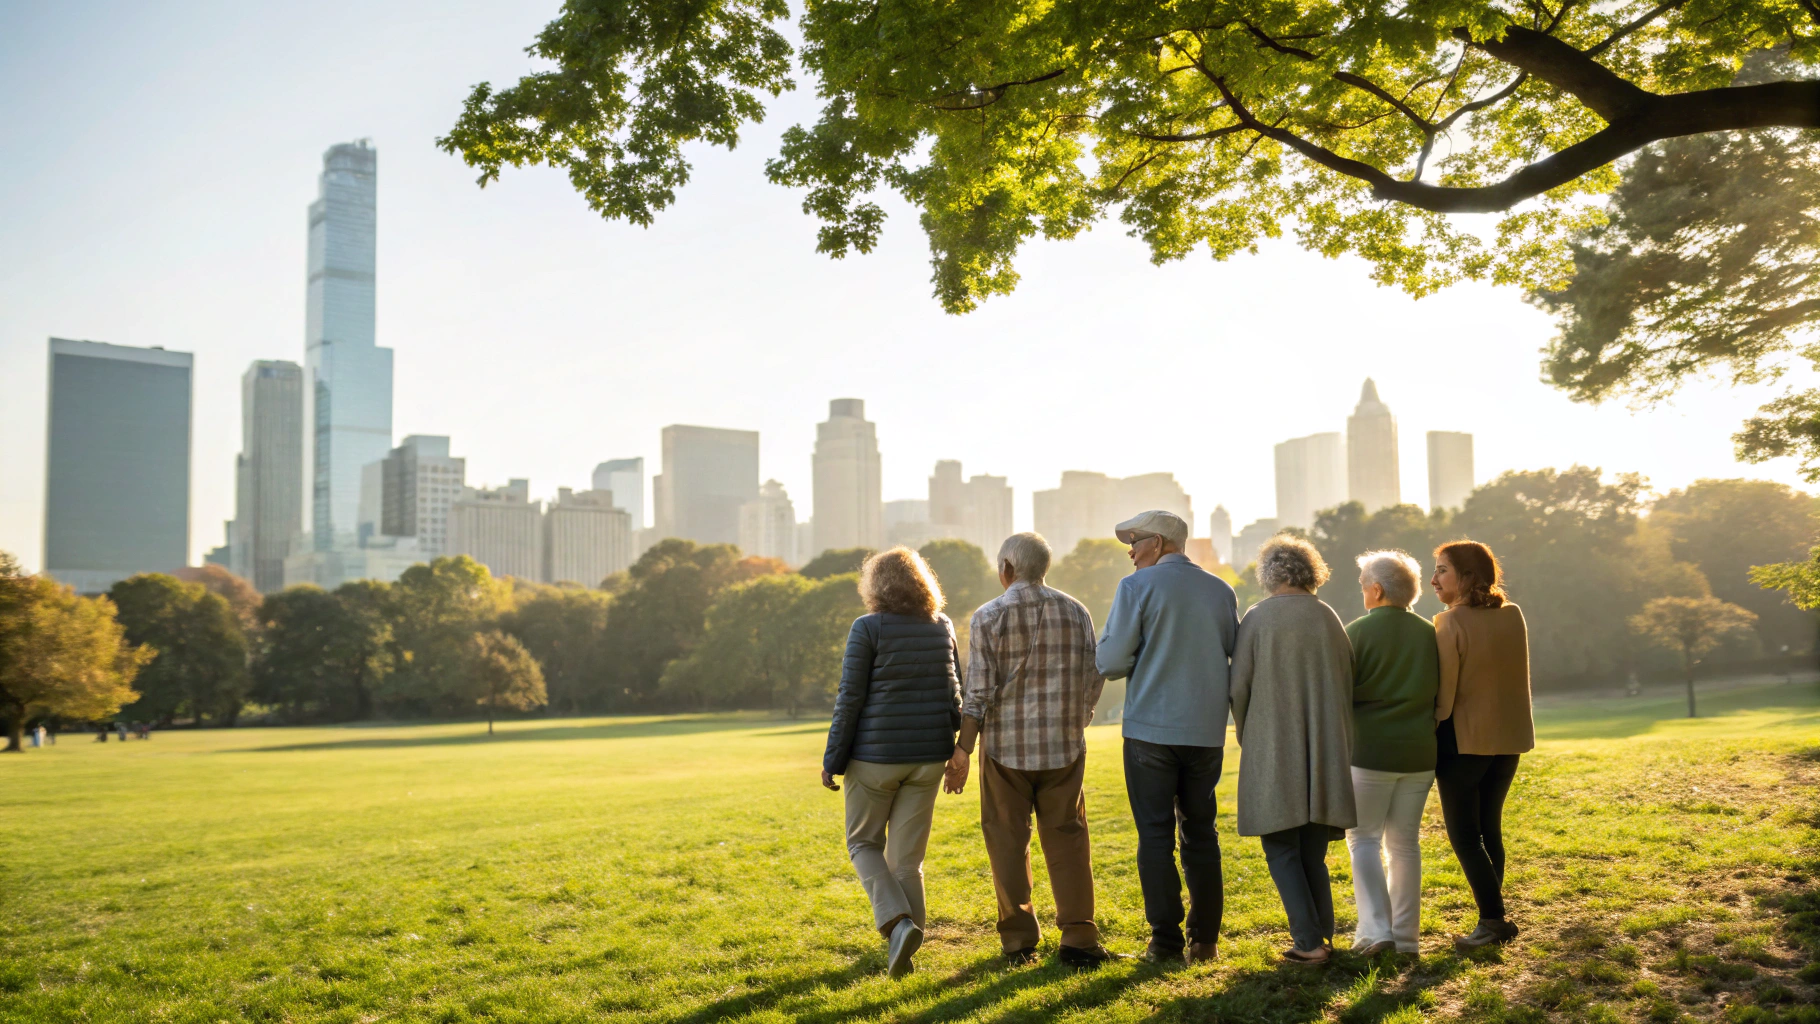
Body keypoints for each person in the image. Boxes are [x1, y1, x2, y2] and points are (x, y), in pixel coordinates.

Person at [946, 532, 1117, 968]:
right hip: (1064, 747)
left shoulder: (988, 616)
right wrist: (1078, 718)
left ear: (1006, 567)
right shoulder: (1076, 610)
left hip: (1005, 749)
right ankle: (1079, 937)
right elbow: (1094, 674)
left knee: (1007, 841)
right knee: (1068, 840)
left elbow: (978, 691)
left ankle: (1019, 941)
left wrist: (963, 749)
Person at [1096, 509, 1239, 964]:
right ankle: (1206, 940)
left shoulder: (1135, 587)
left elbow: (1111, 662)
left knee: (1154, 835)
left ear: (1157, 543)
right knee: (1201, 832)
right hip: (1205, 732)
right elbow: (1232, 649)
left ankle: (1165, 944)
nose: (1131, 552)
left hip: (1150, 733)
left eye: (1134, 542)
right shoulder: (1221, 590)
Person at [821, 547, 964, 980]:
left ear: (874, 585)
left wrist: (832, 759)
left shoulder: (867, 628)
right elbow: (955, 690)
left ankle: (899, 925)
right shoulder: (942, 625)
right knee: (907, 862)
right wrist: (958, 746)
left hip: (875, 759)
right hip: (928, 759)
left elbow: (851, 698)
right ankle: (906, 951)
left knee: (863, 844)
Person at [1231, 535, 1356, 964]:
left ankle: (1308, 944)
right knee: (1311, 852)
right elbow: (1346, 680)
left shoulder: (1258, 617)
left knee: (1281, 845)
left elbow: (1238, 686)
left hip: (1274, 745)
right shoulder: (1329, 617)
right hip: (1324, 745)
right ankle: (1322, 936)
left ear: (1269, 574)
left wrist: (1248, 733)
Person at [1431, 540, 1535, 950]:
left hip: (1464, 741)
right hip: (1508, 739)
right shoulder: (1513, 614)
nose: (1434, 579)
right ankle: (1492, 914)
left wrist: (1427, 729)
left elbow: (1445, 694)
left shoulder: (1448, 622)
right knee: (1489, 827)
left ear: (1468, 576)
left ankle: (1493, 920)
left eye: (1442, 570)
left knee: (1464, 835)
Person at [1344, 551, 1440, 956]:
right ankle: (1407, 939)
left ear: (1377, 589)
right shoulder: (1430, 633)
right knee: (1405, 845)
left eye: (1364, 584)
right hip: (1420, 754)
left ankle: (1376, 930)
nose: (1363, 591)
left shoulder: (1355, 632)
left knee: (1363, 839)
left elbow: (1342, 691)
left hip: (1370, 752)